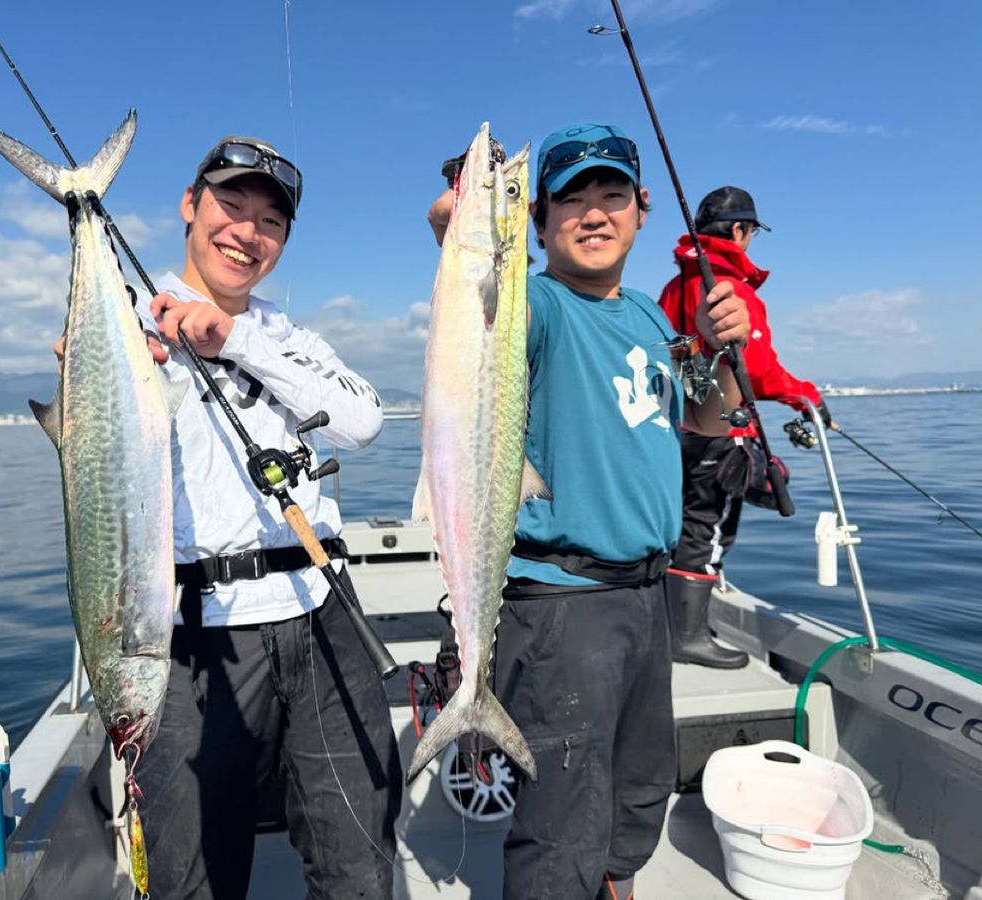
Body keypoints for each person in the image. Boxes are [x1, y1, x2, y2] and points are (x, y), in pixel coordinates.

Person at [68, 136, 401, 899]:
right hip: (191, 636)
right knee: (194, 877)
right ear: (190, 206)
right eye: (231, 205)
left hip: (320, 613)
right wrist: (88, 367)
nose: (248, 232)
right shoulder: (127, 321)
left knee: (359, 862)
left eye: (271, 222)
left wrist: (234, 338)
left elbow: (363, 419)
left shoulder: (288, 339)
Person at [428, 124, 750, 900]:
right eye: (572, 199)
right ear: (538, 222)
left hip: (646, 599)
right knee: (562, 831)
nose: (595, 212)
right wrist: (461, 224)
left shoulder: (649, 317)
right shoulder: (534, 302)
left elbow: (708, 418)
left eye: (612, 194)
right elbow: (477, 291)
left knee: (634, 802)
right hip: (561, 608)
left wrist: (720, 353)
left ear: (643, 210)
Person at [658, 185, 830, 669]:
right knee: (707, 529)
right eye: (751, 231)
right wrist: (807, 397)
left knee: (680, 523)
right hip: (722, 434)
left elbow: (671, 356)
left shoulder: (674, 287)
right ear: (739, 230)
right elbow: (755, 369)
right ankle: (687, 636)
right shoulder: (731, 288)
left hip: (676, 431)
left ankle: (671, 624)